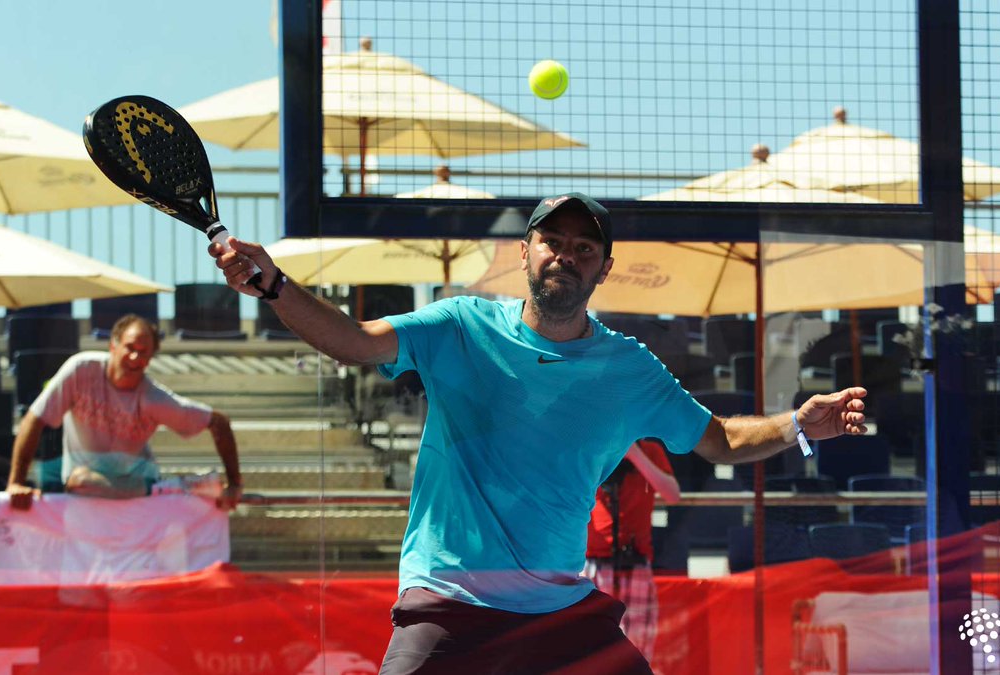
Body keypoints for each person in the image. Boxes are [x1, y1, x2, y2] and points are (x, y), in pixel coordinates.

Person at [211, 192, 866, 674]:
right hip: (450, 602)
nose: (567, 255)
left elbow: (718, 439)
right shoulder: (459, 326)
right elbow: (354, 341)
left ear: (603, 270)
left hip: (559, 612)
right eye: (554, 240)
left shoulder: (629, 367)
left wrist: (798, 426)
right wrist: (273, 283)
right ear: (524, 253)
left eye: (585, 248)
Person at [5, 314, 243, 511]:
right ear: (113, 346)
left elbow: (219, 423)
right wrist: (15, 483)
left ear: (150, 359)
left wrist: (234, 484)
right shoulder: (80, 371)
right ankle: (180, 486)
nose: (135, 357)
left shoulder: (154, 399)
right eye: (130, 347)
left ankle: (176, 487)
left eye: (143, 352)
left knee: (83, 480)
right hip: (83, 498)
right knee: (81, 480)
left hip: (135, 496)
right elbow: (34, 419)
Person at [585, 439, 681, 662]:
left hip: (635, 563)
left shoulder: (650, 451)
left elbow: (672, 494)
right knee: (591, 646)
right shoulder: (592, 446)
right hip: (594, 563)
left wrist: (636, 456)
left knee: (638, 649)